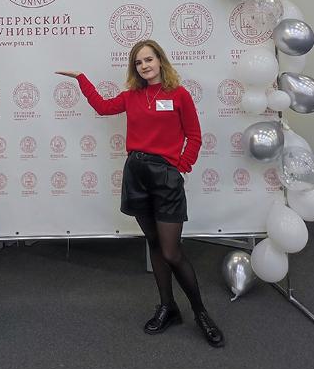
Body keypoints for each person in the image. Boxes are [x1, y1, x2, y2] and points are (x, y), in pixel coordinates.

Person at [56, 38, 225, 347]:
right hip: (136, 173)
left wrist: (181, 167)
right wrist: (81, 78)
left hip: (166, 176)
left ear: (160, 60)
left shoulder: (179, 95)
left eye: (149, 59)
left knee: (172, 252)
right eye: (138, 62)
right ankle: (168, 307)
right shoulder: (132, 96)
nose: (144, 65)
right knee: (155, 244)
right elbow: (103, 107)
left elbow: (195, 136)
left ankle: (200, 313)